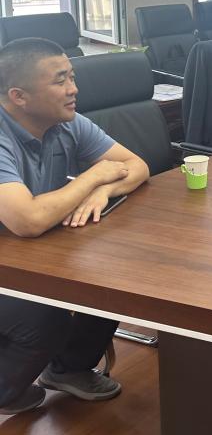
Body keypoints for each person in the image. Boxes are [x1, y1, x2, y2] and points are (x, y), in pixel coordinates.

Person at [0, 38, 150, 415]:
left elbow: (137, 166)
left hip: (29, 251)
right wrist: (93, 177)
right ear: (19, 96)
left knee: (111, 278)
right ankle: (5, 391)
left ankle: (68, 369)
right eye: (60, 80)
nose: (73, 89)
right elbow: (27, 221)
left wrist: (104, 191)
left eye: (72, 77)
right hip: (13, 254)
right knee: (42, 316)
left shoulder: (64, 122)